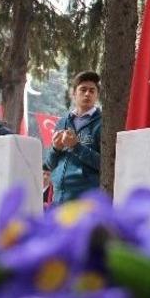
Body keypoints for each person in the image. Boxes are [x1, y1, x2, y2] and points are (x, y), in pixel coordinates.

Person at [46, 71, 102, 204]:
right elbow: (49, 164)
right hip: (59, 197)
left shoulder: (102, 123)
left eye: (92, 91)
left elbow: (106, 164)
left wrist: (76, 147)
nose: (87, 94)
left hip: (86, 199)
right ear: (74, 94)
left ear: (97, 96)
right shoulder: (62, 122)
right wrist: (55, 149)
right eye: (83, 89)